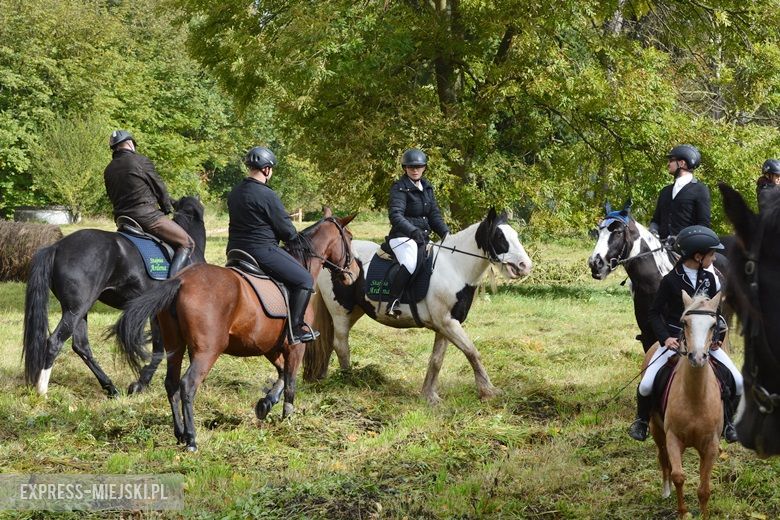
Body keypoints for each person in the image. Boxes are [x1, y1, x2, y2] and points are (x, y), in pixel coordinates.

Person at [628, 225, 743, 443]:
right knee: (646, 384)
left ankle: (729, 422)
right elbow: (654, 313)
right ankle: (642, 421)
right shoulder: (670, 281)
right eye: (712, 254)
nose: (715, 259)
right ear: (698, 256)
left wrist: (717, 338)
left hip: (704, 343)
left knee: (737, 380)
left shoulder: (710, 280)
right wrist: (665, 338)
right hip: (674, 340)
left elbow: (716, 315)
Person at [226, 146, 318, 345]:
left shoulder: (235, 192)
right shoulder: (267, 194)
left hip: (235, 251)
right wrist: (298, 241)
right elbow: (286, 230)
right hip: (261, 251)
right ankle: (295, 329)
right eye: (272, 169)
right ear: (266, 169)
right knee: (304, 279)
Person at [103, 129, 194, 276]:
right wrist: (166, 209)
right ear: (130, 143)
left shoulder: (108, 169)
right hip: (147, 217)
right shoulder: (140, 161)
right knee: (187, 243)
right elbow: (159, 186)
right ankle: (171, 284)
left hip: (122, 219)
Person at [385, 148, 450, 317]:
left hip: (421, 237)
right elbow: (395, 215)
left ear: (424, 168)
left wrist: (446, 234)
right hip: (402, 237)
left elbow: (434, 214)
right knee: (410, 262)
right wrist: (412, 231)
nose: (415, 170)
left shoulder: (427, 187)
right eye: (411, 167)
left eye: (419, 167)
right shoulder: (399, 188)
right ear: (405, 168)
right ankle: (392, 302)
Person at [649, 145, 711, 243]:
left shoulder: (700, 190)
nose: (668, 164)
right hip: (661, 248)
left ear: (682, 163)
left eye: (671, 160)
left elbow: (703, 224)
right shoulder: (665, 191)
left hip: (687, 249)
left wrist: (682, 238)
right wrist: (653, 231)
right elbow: (656, 220)